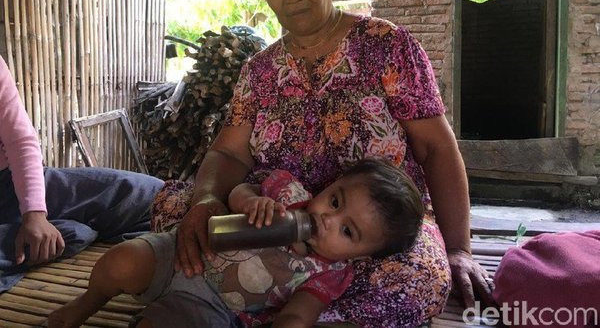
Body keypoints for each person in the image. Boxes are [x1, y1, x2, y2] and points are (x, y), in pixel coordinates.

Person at [151, 0, 494, 326]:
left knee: (417, 279)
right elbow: (228, 151)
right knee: (177, 206)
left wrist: (459, 248)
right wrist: (206, 200)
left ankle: (249, 300)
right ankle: (264, 297)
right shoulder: (259, 70)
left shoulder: (387, 47)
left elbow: (436, 148)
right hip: (273, 220)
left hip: (361, 236)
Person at [48, 159, 424, 328]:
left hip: (209, 306)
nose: (327, 218)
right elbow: (239, 189)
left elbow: (299, 314)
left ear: (364, 255)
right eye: (336, 201)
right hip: (178, 251)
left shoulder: (329, 274)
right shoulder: (288, 194)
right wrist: (250, 202)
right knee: (120, 261)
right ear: (332, 184)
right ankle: (88, 301)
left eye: (347, 231)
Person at [0, 55, 164, 292]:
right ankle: (56, 236)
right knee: (73, 233)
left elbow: (20, 140)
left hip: (12, 184)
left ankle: (52, 234)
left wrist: (34, 214)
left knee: (151, 195)